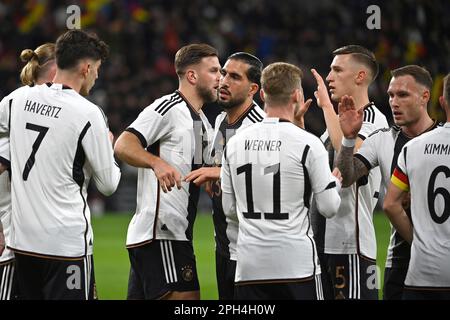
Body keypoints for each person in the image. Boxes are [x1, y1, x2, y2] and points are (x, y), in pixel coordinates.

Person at [0, 29, 120, 300]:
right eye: (97, 69)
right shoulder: (88, 113)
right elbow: (109, 184)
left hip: (23, 244)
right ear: (86, 68)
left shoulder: (17, 100)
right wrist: (106, 147)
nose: (97, 75)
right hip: (65, 245)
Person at [221, 62, 341, 300]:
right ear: (297, 95)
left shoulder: (234, 143)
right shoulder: (308, 143)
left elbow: (229, 210)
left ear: (263, 94)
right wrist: (334, 183)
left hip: (250, 267)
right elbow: (329, 207)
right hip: (296, 266)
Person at [114, 43, 220, 300]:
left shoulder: (203, 121)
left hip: (173, 234)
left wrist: (212, 175)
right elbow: (123, 144)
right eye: (214, 71)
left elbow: (204, 168)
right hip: (161, 232)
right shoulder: (168, 107)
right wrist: (156, 162)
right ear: (192, 76)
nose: (221, 78)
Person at [336, 65, 441, 299]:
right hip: (400, 259)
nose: (394, 102)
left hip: (442, 256)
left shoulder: (444, 140)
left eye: (403, 95)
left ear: (425, 97)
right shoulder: (383, 139)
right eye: (391, 95)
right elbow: (346, 176)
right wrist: (348, 140)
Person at [184, 52, 265, 300]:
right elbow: (211, 166)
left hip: (252, 248)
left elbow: (265, 177)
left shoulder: (260, 127)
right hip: (224, 245)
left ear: (253, 88)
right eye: (223, 73)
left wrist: (218, 172)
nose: (224, 81)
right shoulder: (220, 121)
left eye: (234, 77)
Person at [311, 45, 388, 299]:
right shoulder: (330, 126)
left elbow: (348, 152)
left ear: (360, 76)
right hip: (322, 243)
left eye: (337, 70)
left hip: (350, 245)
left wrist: (325, 107)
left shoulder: (375, 120)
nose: (330, 77)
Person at [383, 73, 450, 300]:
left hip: (422, 273)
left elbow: (390, 204)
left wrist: (418, 240)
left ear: (441, 102)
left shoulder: (413, 148)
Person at [0, 43, 56, 300]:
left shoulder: (15, 101)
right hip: (12, 239)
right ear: (56, 69)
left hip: (39, 241)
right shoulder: (18, 105)